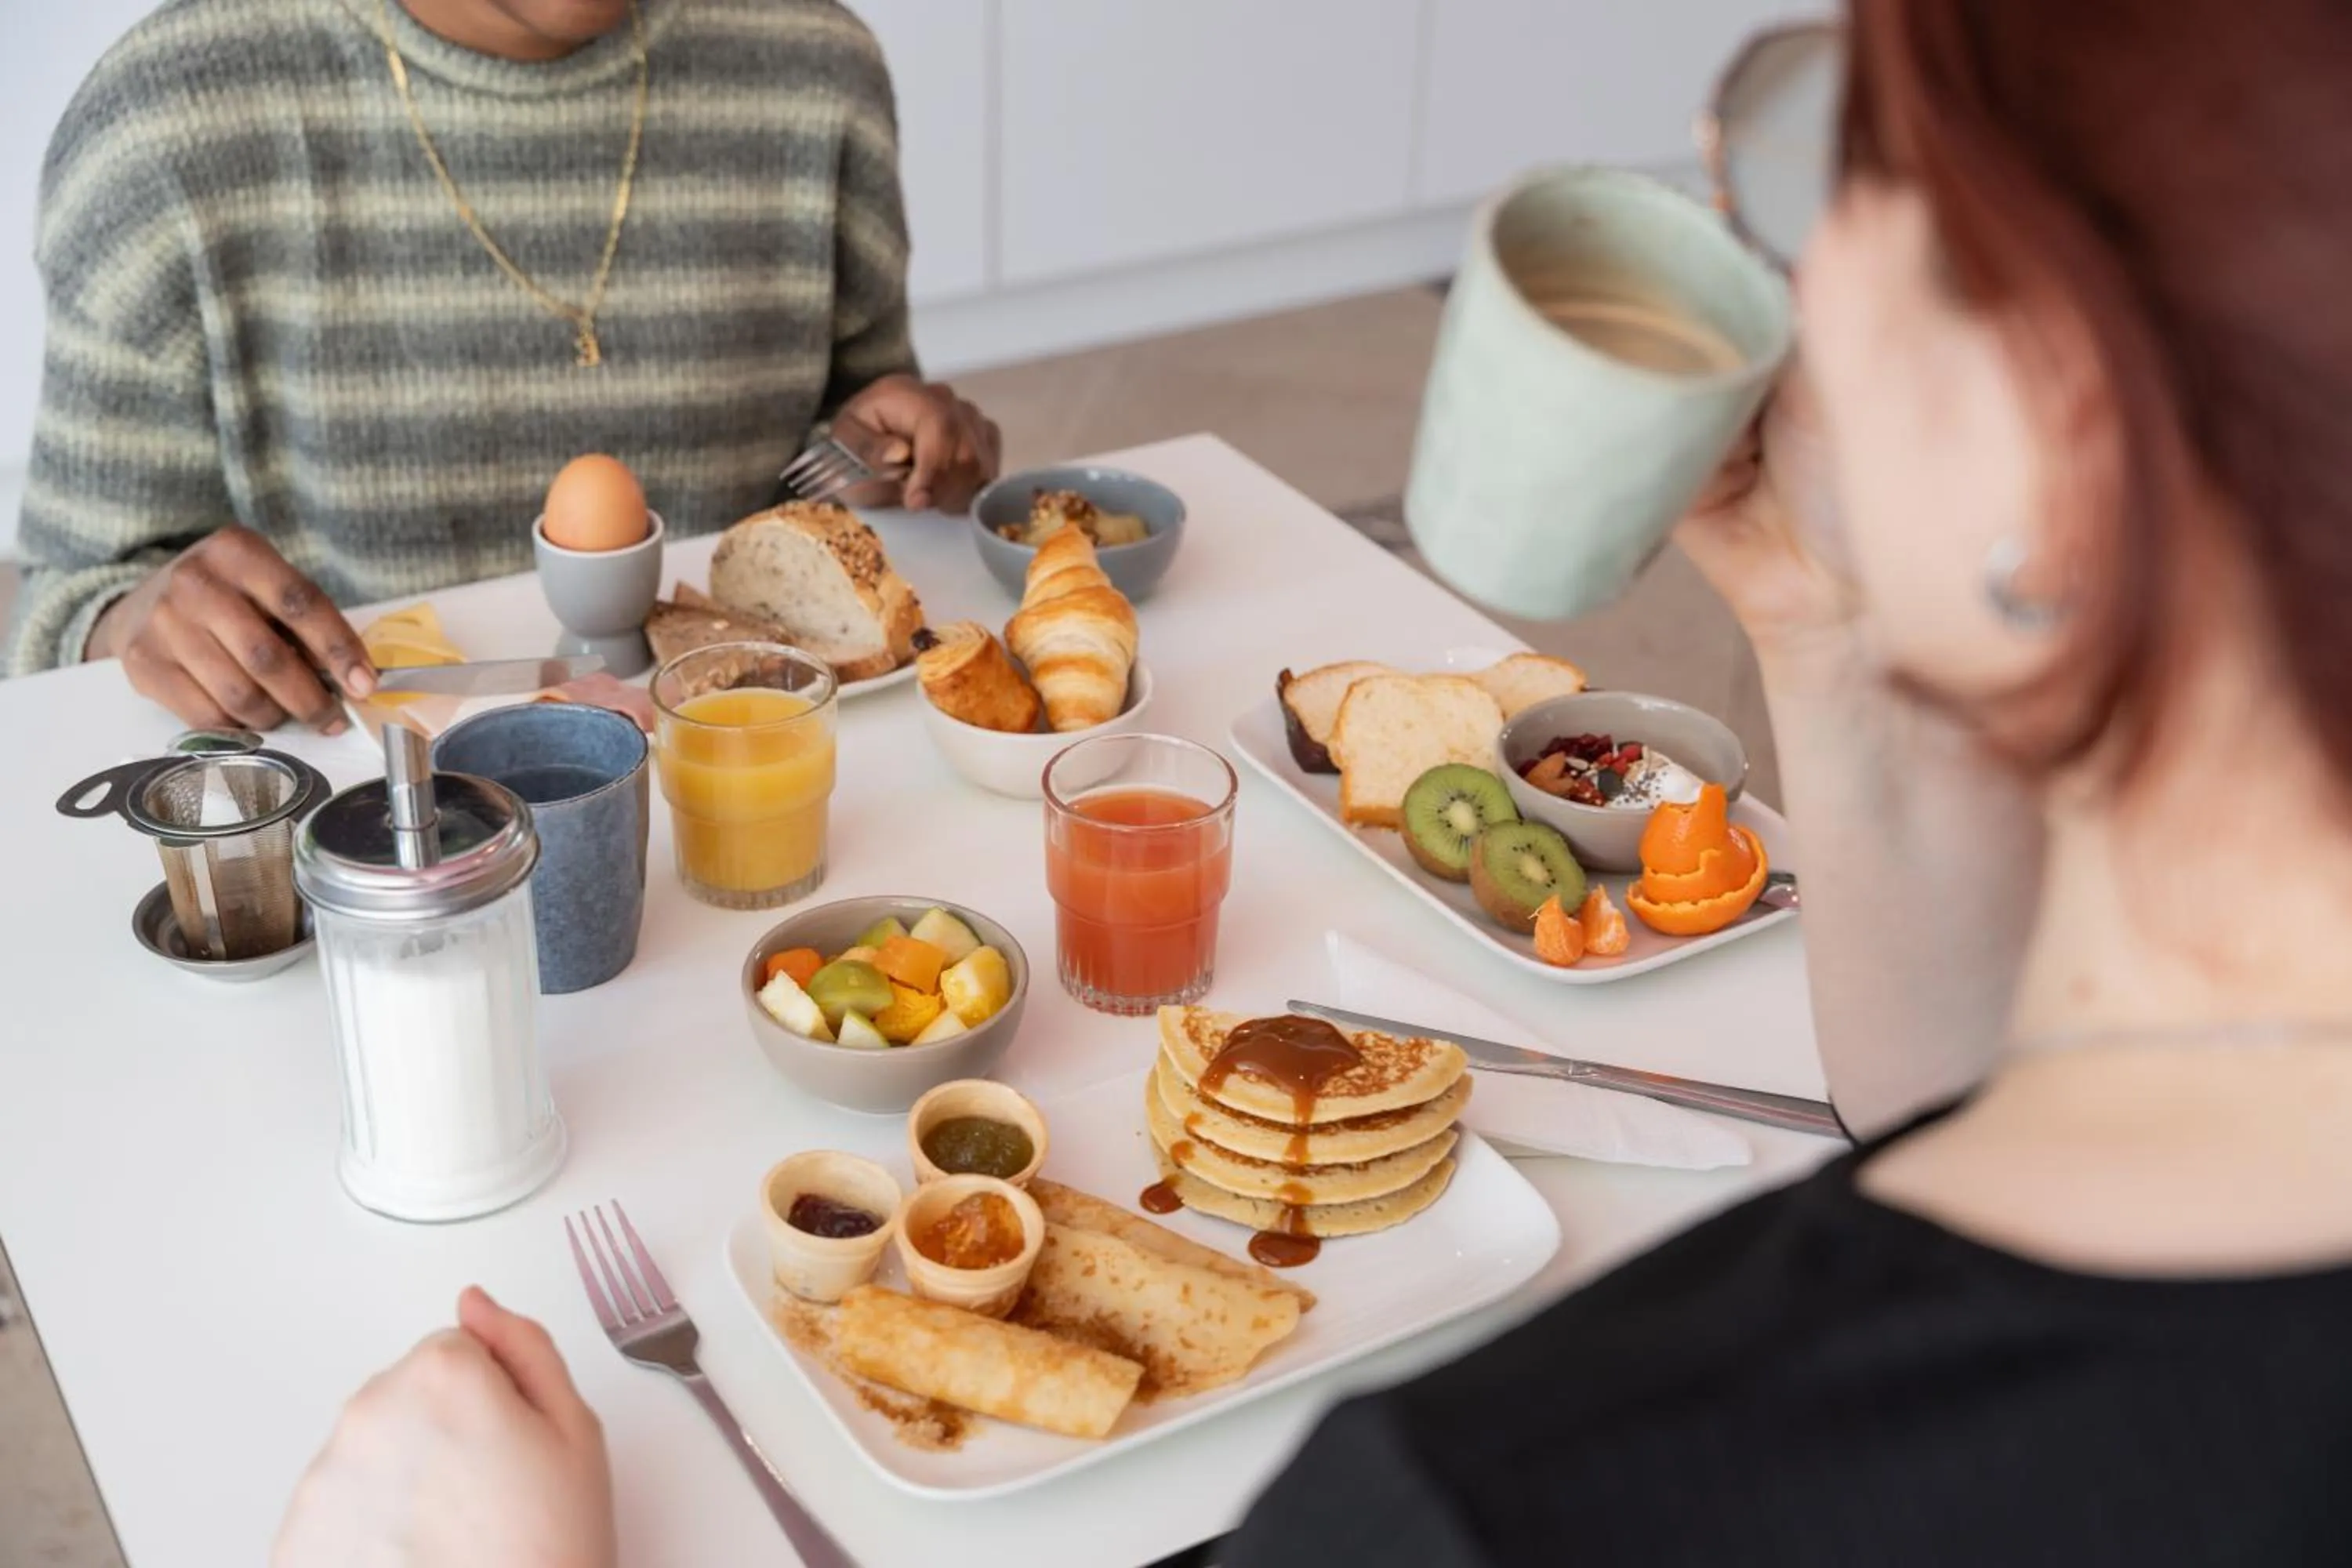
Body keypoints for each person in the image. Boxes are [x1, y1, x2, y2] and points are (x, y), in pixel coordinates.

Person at [278, 0, 2352, 1560]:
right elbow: (1954, 1116)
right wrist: (1827, 627)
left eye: (1835, 185)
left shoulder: (1485, 1494)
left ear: (2052, 440)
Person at [4, 0, 999, 733]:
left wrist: (891, 452)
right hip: (389, 821)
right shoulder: (167, 123)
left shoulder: (812, 64)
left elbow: (840, 467)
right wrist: (138, 614)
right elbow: (61, 610)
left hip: (747, 767)